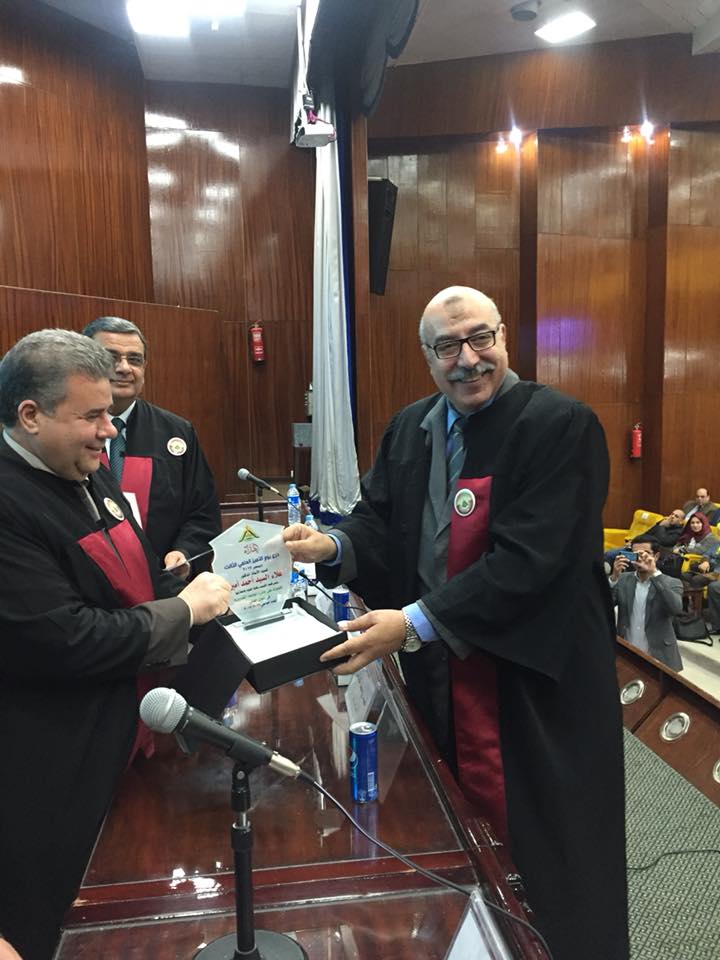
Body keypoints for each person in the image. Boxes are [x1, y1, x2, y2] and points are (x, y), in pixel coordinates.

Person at [283, 286, 628, 960]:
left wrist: (416, 621)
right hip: (440, 676)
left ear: (503, 337)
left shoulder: (560, 425)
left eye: (480, 339)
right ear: (427, 356)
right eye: (447, 346)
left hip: (532, 688)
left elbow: (532, 563)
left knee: (550, 861)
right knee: (448, 838)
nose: (467, 360)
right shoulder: (411, 427)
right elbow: (380, 523)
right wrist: (334, 545)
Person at [0, 330, 231, 960]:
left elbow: (136, 579)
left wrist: (194, 592)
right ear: (30, 415)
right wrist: (183, 611)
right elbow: (66, 638)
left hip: (131, 735)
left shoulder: (86, 468)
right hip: (56, 765)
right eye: (93, 416)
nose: (109, 430)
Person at [82, 316, 221, 579]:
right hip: (88, 586)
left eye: (135, 359)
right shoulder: (66, 433)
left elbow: (202, 513)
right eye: (111, 358)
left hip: (163, 585)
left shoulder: (177, 432)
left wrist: (185, 553)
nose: (124, 368)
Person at [609, 537, 683, 670]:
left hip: (659, 656)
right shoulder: (623, 579)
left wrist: (654, 573)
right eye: (636, 554)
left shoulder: (672, 582)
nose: (640, 558)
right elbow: (604, 606)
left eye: (645, 553)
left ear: (656, 556)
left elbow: (676, 609)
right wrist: (613, 578)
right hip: (626, 652)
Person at [675, 512, 720, 589]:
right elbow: (707, 554)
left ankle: (695, 597)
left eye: (698, 522)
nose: (695, 525)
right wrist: (706, 561)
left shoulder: (711, 538)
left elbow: (700, 550)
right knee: (685, 575)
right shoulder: (718, 543)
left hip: (715, 572)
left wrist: (715, 572)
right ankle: (686, 596)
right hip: (706, 568)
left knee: (696, 579)